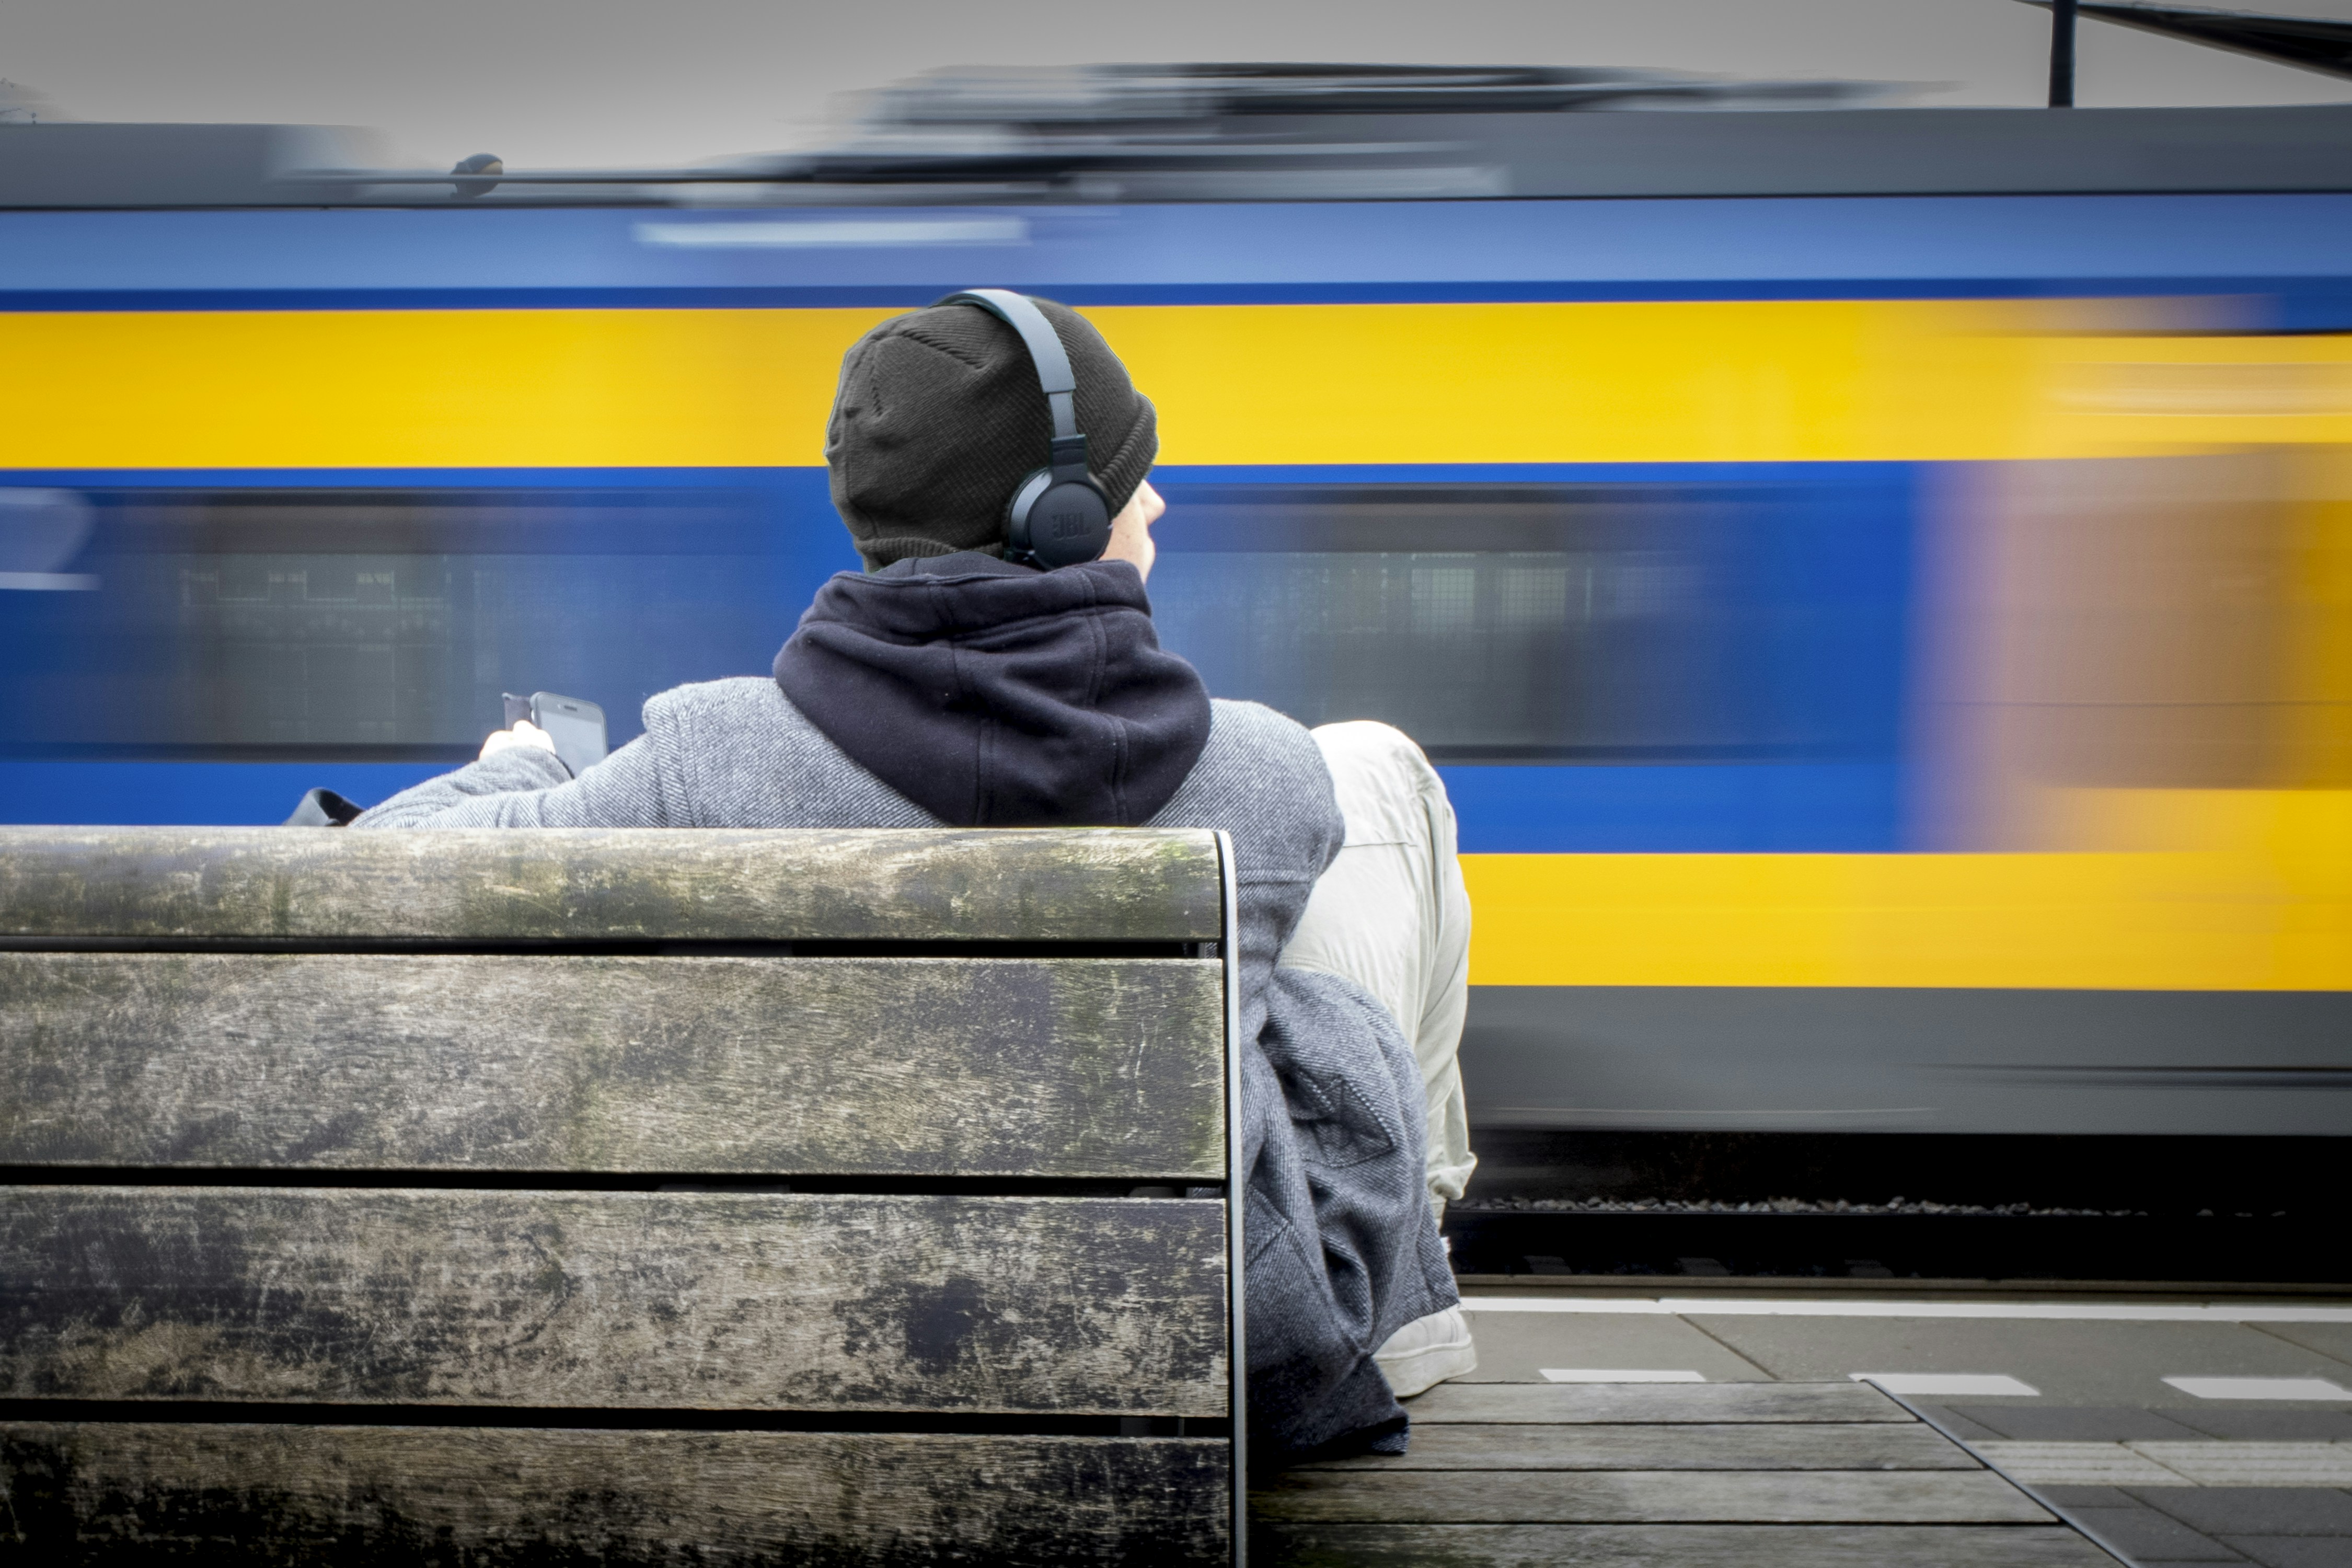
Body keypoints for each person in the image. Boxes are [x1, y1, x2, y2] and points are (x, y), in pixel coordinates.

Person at [354, 291, 1475, 1457]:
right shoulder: (1270, 776)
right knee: (1377, 778)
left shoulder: (712, 762)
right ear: (1062, 512)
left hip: (840, 1349)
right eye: (1134, 470)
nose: (1155, 497)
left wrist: (521, 766)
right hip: (1213, 1363)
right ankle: (1405, 1303)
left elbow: (378, 866)